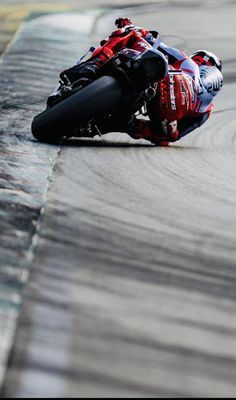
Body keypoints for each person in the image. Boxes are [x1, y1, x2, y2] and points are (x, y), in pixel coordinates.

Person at [60, 18, 223, 146]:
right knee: (133, 126)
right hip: (162, 113)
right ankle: (111, 124)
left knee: (127, 34)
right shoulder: (206, 109)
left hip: (162, 89)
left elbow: (155, 43)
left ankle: (91, 66)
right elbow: (173, 137)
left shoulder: (184, 60)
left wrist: (134, 29)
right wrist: (138, 127)